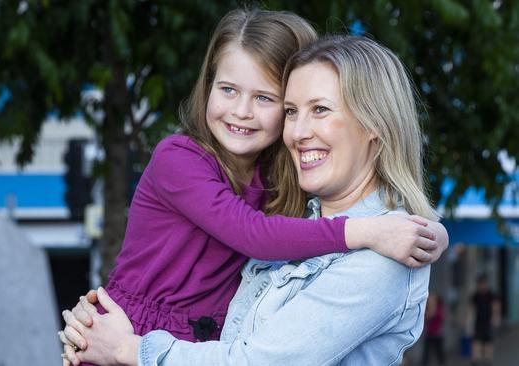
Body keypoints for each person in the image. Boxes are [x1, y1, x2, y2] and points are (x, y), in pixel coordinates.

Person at [60, 35, 447, 366]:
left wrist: (130, 348)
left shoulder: (378, 258)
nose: (298, 132)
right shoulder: (301, 218)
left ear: (375, 124)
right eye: (293, 111)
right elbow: (254, 236)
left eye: (321, 110)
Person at [469, 274, 501, 366]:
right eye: (481, 284)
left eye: (484, 283)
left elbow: (496, 307)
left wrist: (495, 318)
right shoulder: (476, 296)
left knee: (488, 345)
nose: (482, 286)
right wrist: (469, 323)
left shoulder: (491, 295)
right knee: (476, 344)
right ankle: (476, 361)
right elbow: (471, 309)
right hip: (478, 323)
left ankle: (488, 361)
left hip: (488, 323)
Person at [422, 292, 446, 366]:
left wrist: (432, 308)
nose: (430, 299)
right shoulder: (427, 308)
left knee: (439, 353)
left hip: (438, 334)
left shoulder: (439, 308)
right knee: (426, 353)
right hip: (429, 333)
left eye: (432, 298)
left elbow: (439, 317)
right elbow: (426, 318)